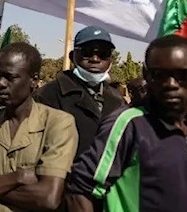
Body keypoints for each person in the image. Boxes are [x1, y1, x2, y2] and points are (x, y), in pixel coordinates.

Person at [66, 35, 187, 212]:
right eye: (159, 75)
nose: (171, 84)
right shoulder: (129, 124)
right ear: (146, 74)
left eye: (183, 75)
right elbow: (79, 187)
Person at [0, 43, 78, 212]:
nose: (0, 84)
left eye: (10, 77)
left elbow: (48, 197)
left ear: (34, 80)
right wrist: (19, 177)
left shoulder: (58, 123)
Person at [35, 26, 125, 158]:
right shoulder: (48, 95)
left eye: (103, 53)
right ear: (72, 57)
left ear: (111, 59)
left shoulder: (117, 100)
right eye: (87, 52)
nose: (95, 59)